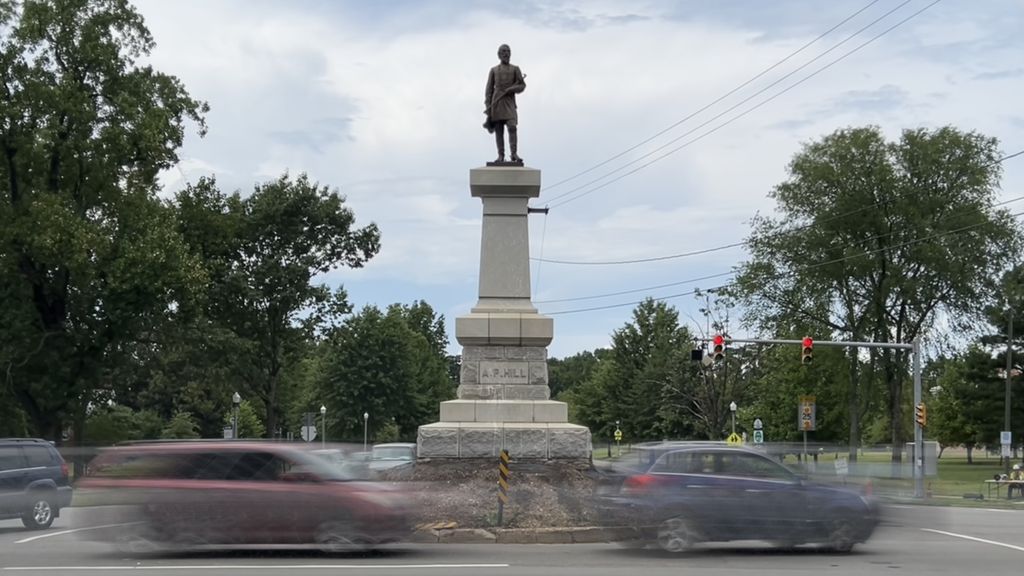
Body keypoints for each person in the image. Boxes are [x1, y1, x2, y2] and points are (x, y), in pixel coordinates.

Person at [483, 44, 526, 164]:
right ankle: (500, 155)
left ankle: (514, 154)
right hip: (497, 102)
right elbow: (488, 90)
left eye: (508, 51)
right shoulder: (494, 70)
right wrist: (488, 106)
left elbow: (522, 85)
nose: (506, 53)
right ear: (499, 54)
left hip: (509, 102)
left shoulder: (515, 69)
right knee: (499, 130)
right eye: (503, 51)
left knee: (512, 126)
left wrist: (512, 89)